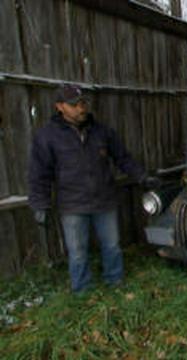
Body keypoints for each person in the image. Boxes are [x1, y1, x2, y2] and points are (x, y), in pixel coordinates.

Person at [28, 84, 158, 293]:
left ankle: (115, 282)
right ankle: (82, 292)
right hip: (72, 205)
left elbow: (122, 158)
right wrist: (39, 204)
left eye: (82, 103)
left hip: (104, 201)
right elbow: (39, 174)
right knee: (78, 252)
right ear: (59, 107)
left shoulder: (101, 131)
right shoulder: (47, 137)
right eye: (74, 105)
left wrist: (142, 177)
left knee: (112, 246)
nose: (81, 108)